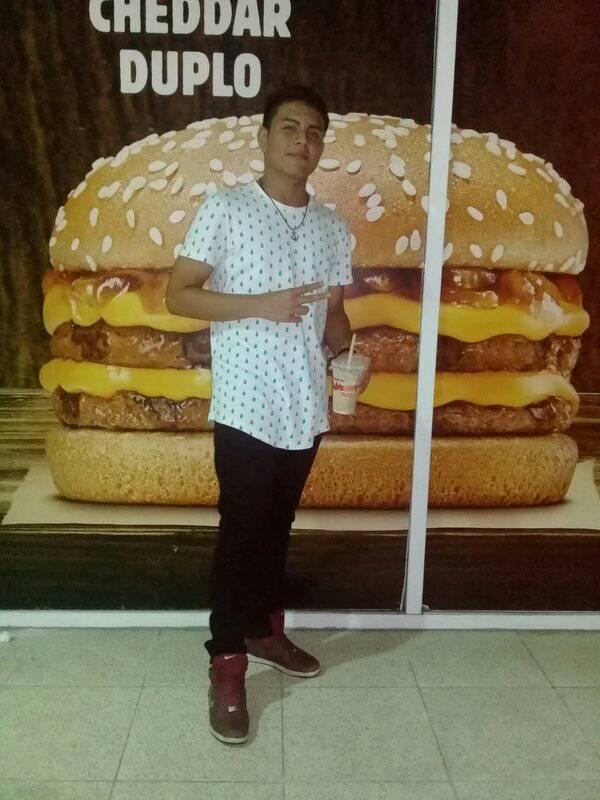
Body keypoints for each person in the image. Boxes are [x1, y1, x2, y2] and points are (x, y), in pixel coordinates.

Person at [165, 85, 370, 745]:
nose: (301, 141)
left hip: (305, 403)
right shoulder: (225, 208)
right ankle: (226, 661)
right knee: (242, 534)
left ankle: (262, 631)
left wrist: (350, 353)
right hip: (246, 403)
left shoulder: (333, 226)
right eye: (289, 127)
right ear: (263, 136)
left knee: (277, 528)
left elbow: (334, 317)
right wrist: (260, 303)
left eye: (313, 132)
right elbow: (178, 295)